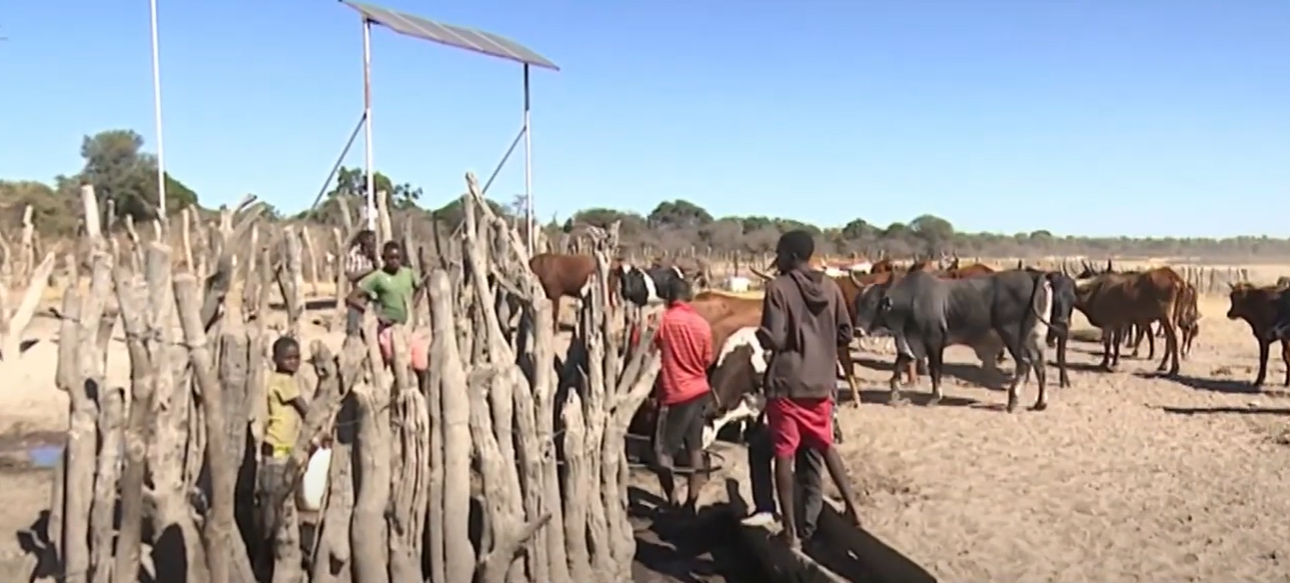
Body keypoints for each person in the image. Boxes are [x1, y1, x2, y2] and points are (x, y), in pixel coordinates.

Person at [757, 229, 863, 549]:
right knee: (825, 445)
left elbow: (775, 338)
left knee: (784, 454)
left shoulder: (778, 288)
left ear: (791, 256)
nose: (777, 261)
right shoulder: (830, 287)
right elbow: (845, 333)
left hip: (787, 385)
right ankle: (854, 510)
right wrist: (822, 343)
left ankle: (790, 532)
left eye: (779, 254)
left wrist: (762, 336)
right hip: (821, 383)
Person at [652, 275, 714, 514]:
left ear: (668, 297)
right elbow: (707, 359)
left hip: (674, 394)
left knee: (661, 452)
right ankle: (691, 503)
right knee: (694, 448)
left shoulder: (663, 321)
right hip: (700, 391)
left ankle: (672, 500)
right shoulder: (702, 324)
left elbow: (648, 348)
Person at [346, 240, 429, 372]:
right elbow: (352, 297)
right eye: (391, 258)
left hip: (409, 328)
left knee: (420, 363)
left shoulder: (408, 273)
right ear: (384, 258)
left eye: (397, 257)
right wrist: (374, 314)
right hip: (388, 329)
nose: (394, 261)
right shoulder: (378, 277)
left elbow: (420, 288)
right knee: (397, 362)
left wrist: (413, 306)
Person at [260, 336, 310, 548]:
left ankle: (272, 543)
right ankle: (267, 545)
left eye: (297, 357)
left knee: (279, 502)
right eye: (288, 358)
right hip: (278, 449)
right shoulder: (283, 381)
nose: (294, 362)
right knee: (275, 502)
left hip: (282, 448)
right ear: (276, 359)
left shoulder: (284, 380)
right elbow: (304, 410)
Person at [344, 230, 380, 335]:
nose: (372, 246)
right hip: (358, 296)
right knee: (353, 330)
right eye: (370, 243)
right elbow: (350, 275)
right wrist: (368, 271)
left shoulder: (374, 256)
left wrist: (375, 260)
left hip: (374, 295)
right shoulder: (353, 255)